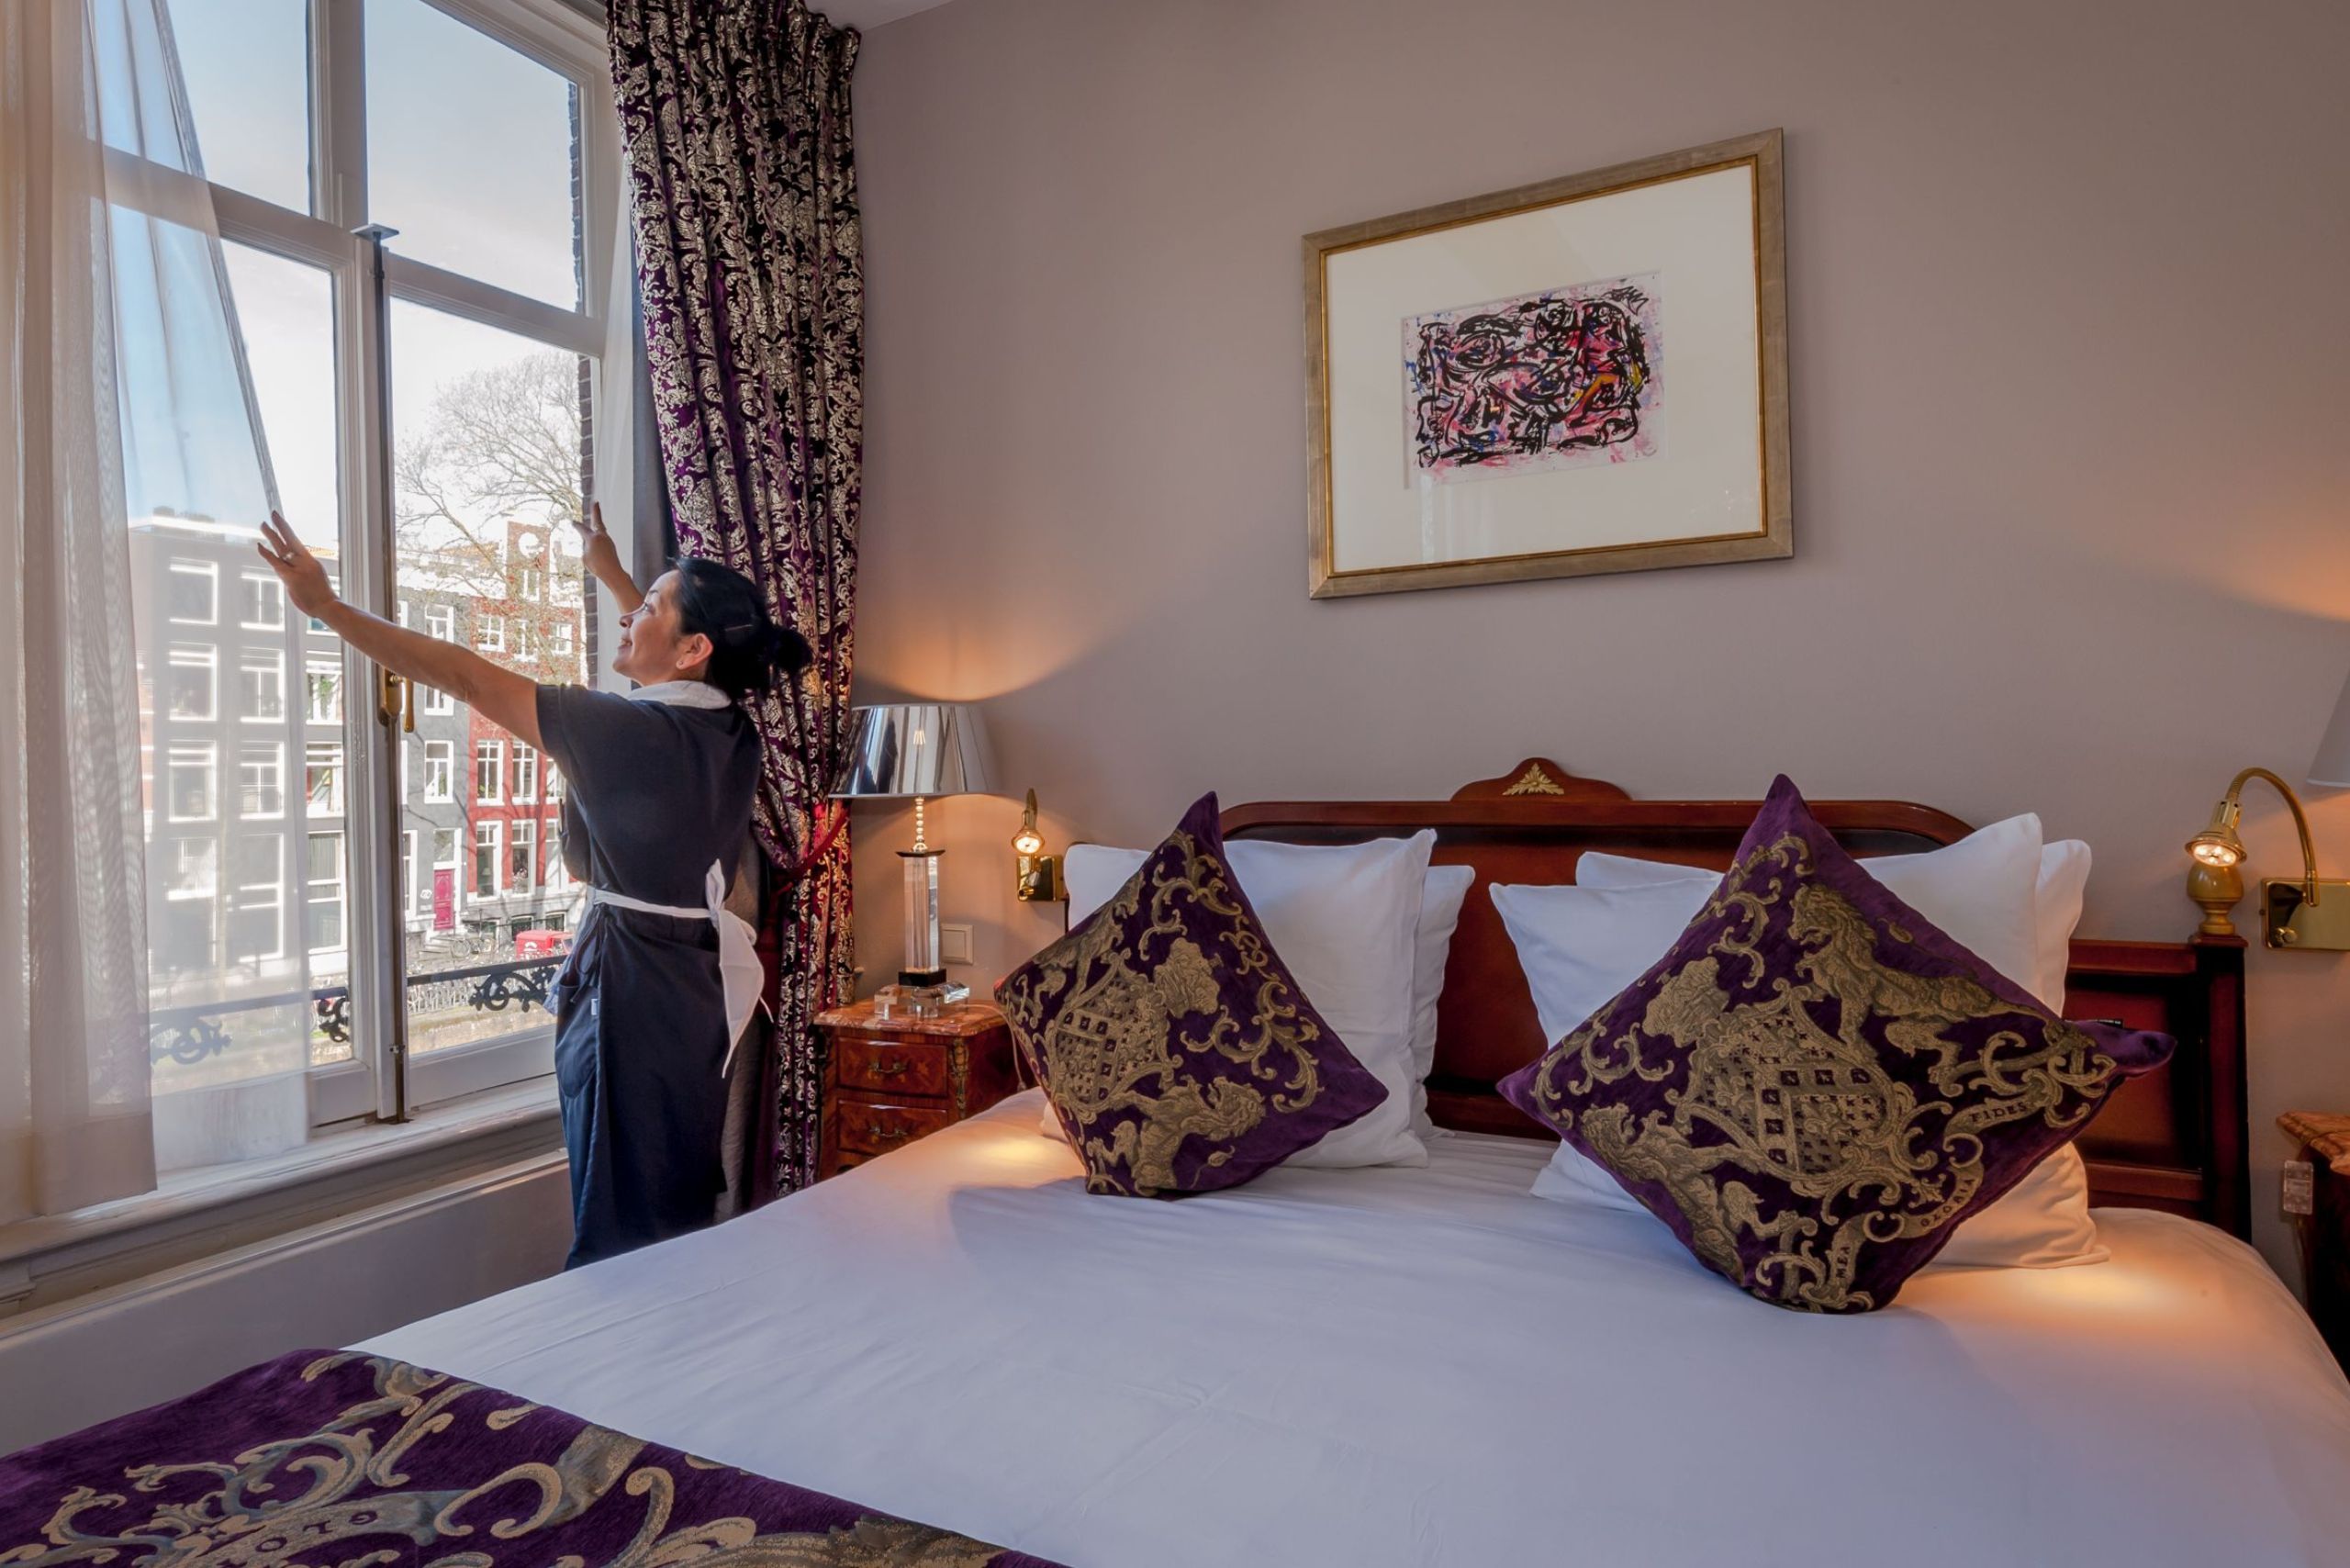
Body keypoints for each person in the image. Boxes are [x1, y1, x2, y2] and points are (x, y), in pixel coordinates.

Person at [254, 508, 811, 1267]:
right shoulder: (730, 731)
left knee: (619, 1215)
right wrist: (615, 576)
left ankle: (608, 1335)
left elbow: (461, 673)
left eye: (649, 608)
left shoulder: (619, 732)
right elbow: (677, 657)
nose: (630, 617)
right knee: (667, 1196)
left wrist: (327, 608)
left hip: (631, 985)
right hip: (695, 988)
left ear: (694, 649)